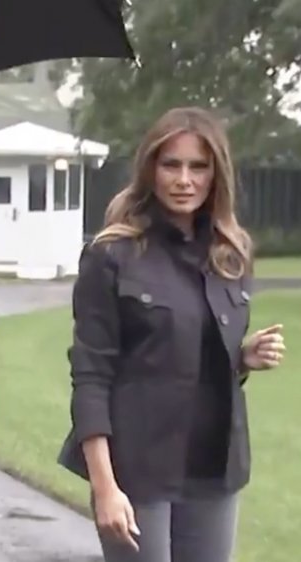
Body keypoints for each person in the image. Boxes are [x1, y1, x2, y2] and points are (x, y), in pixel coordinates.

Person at [56, 106, 287, 562]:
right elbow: (91, 376)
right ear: (151, 170)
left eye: (198, 166)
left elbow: (185, 358)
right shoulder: (111, 255)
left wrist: (240, 360)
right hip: (138, 467)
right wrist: (105, 487)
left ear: (216, 174)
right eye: (172, 165)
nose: (185, 179)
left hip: (213, 466)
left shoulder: (231, 255)